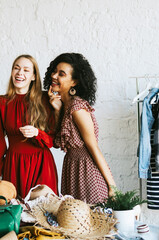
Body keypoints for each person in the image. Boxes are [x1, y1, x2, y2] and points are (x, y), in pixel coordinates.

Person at [44, 53, 116, 204]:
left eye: (61, 74)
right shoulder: (63, 106)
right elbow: (57, 143)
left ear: (74, 82)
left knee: (91, 220)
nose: (54, 76)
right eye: (54, 71)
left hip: (86, 170)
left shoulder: (77, 108)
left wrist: (112, 186)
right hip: (71, 168)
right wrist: (57, 110)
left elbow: (93, 147)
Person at [0, 54, 58, 199]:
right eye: (17, 68)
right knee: (16, 213)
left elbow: (52, 140)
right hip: (13, 164)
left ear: (33, 76)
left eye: (26, 70)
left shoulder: (45, 99)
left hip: (41, 164)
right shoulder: (0, 102)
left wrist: (37, 133)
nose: (20, 73)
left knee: (43, 214)